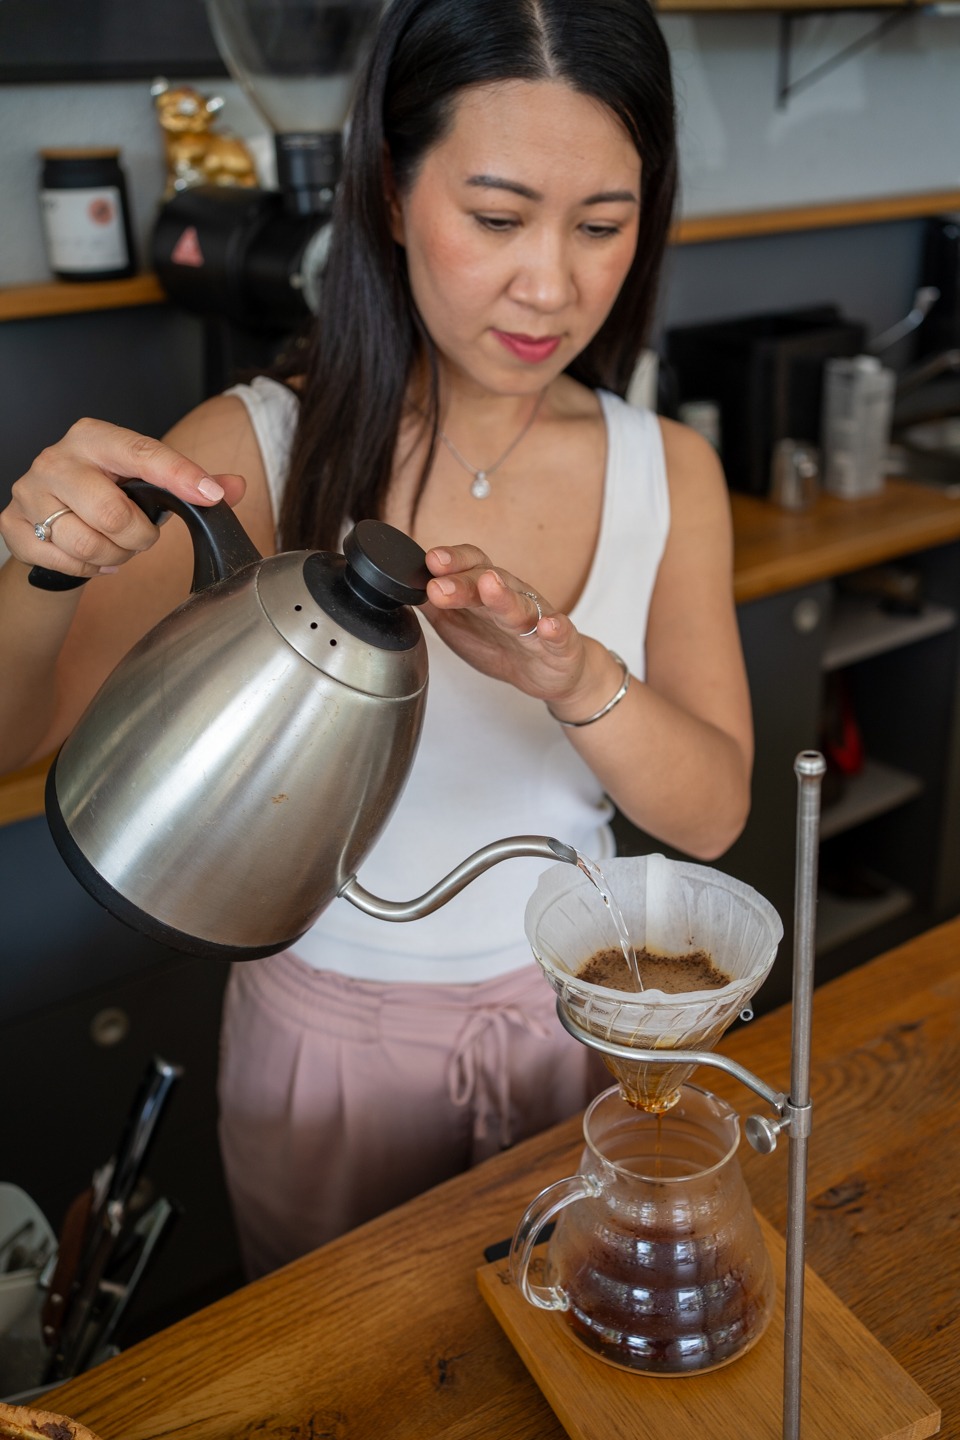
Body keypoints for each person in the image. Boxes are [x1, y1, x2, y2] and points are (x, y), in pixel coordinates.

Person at [0, 0, 752, 1278]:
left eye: (602, 226)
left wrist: (575, 675)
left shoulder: (668, 469)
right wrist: (40, 561)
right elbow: (19, 736)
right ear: (394, 195)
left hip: (583, 1020)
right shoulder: (256, 450)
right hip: (327, 1045)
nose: (552, 285)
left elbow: (716, 814)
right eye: (498, 218)